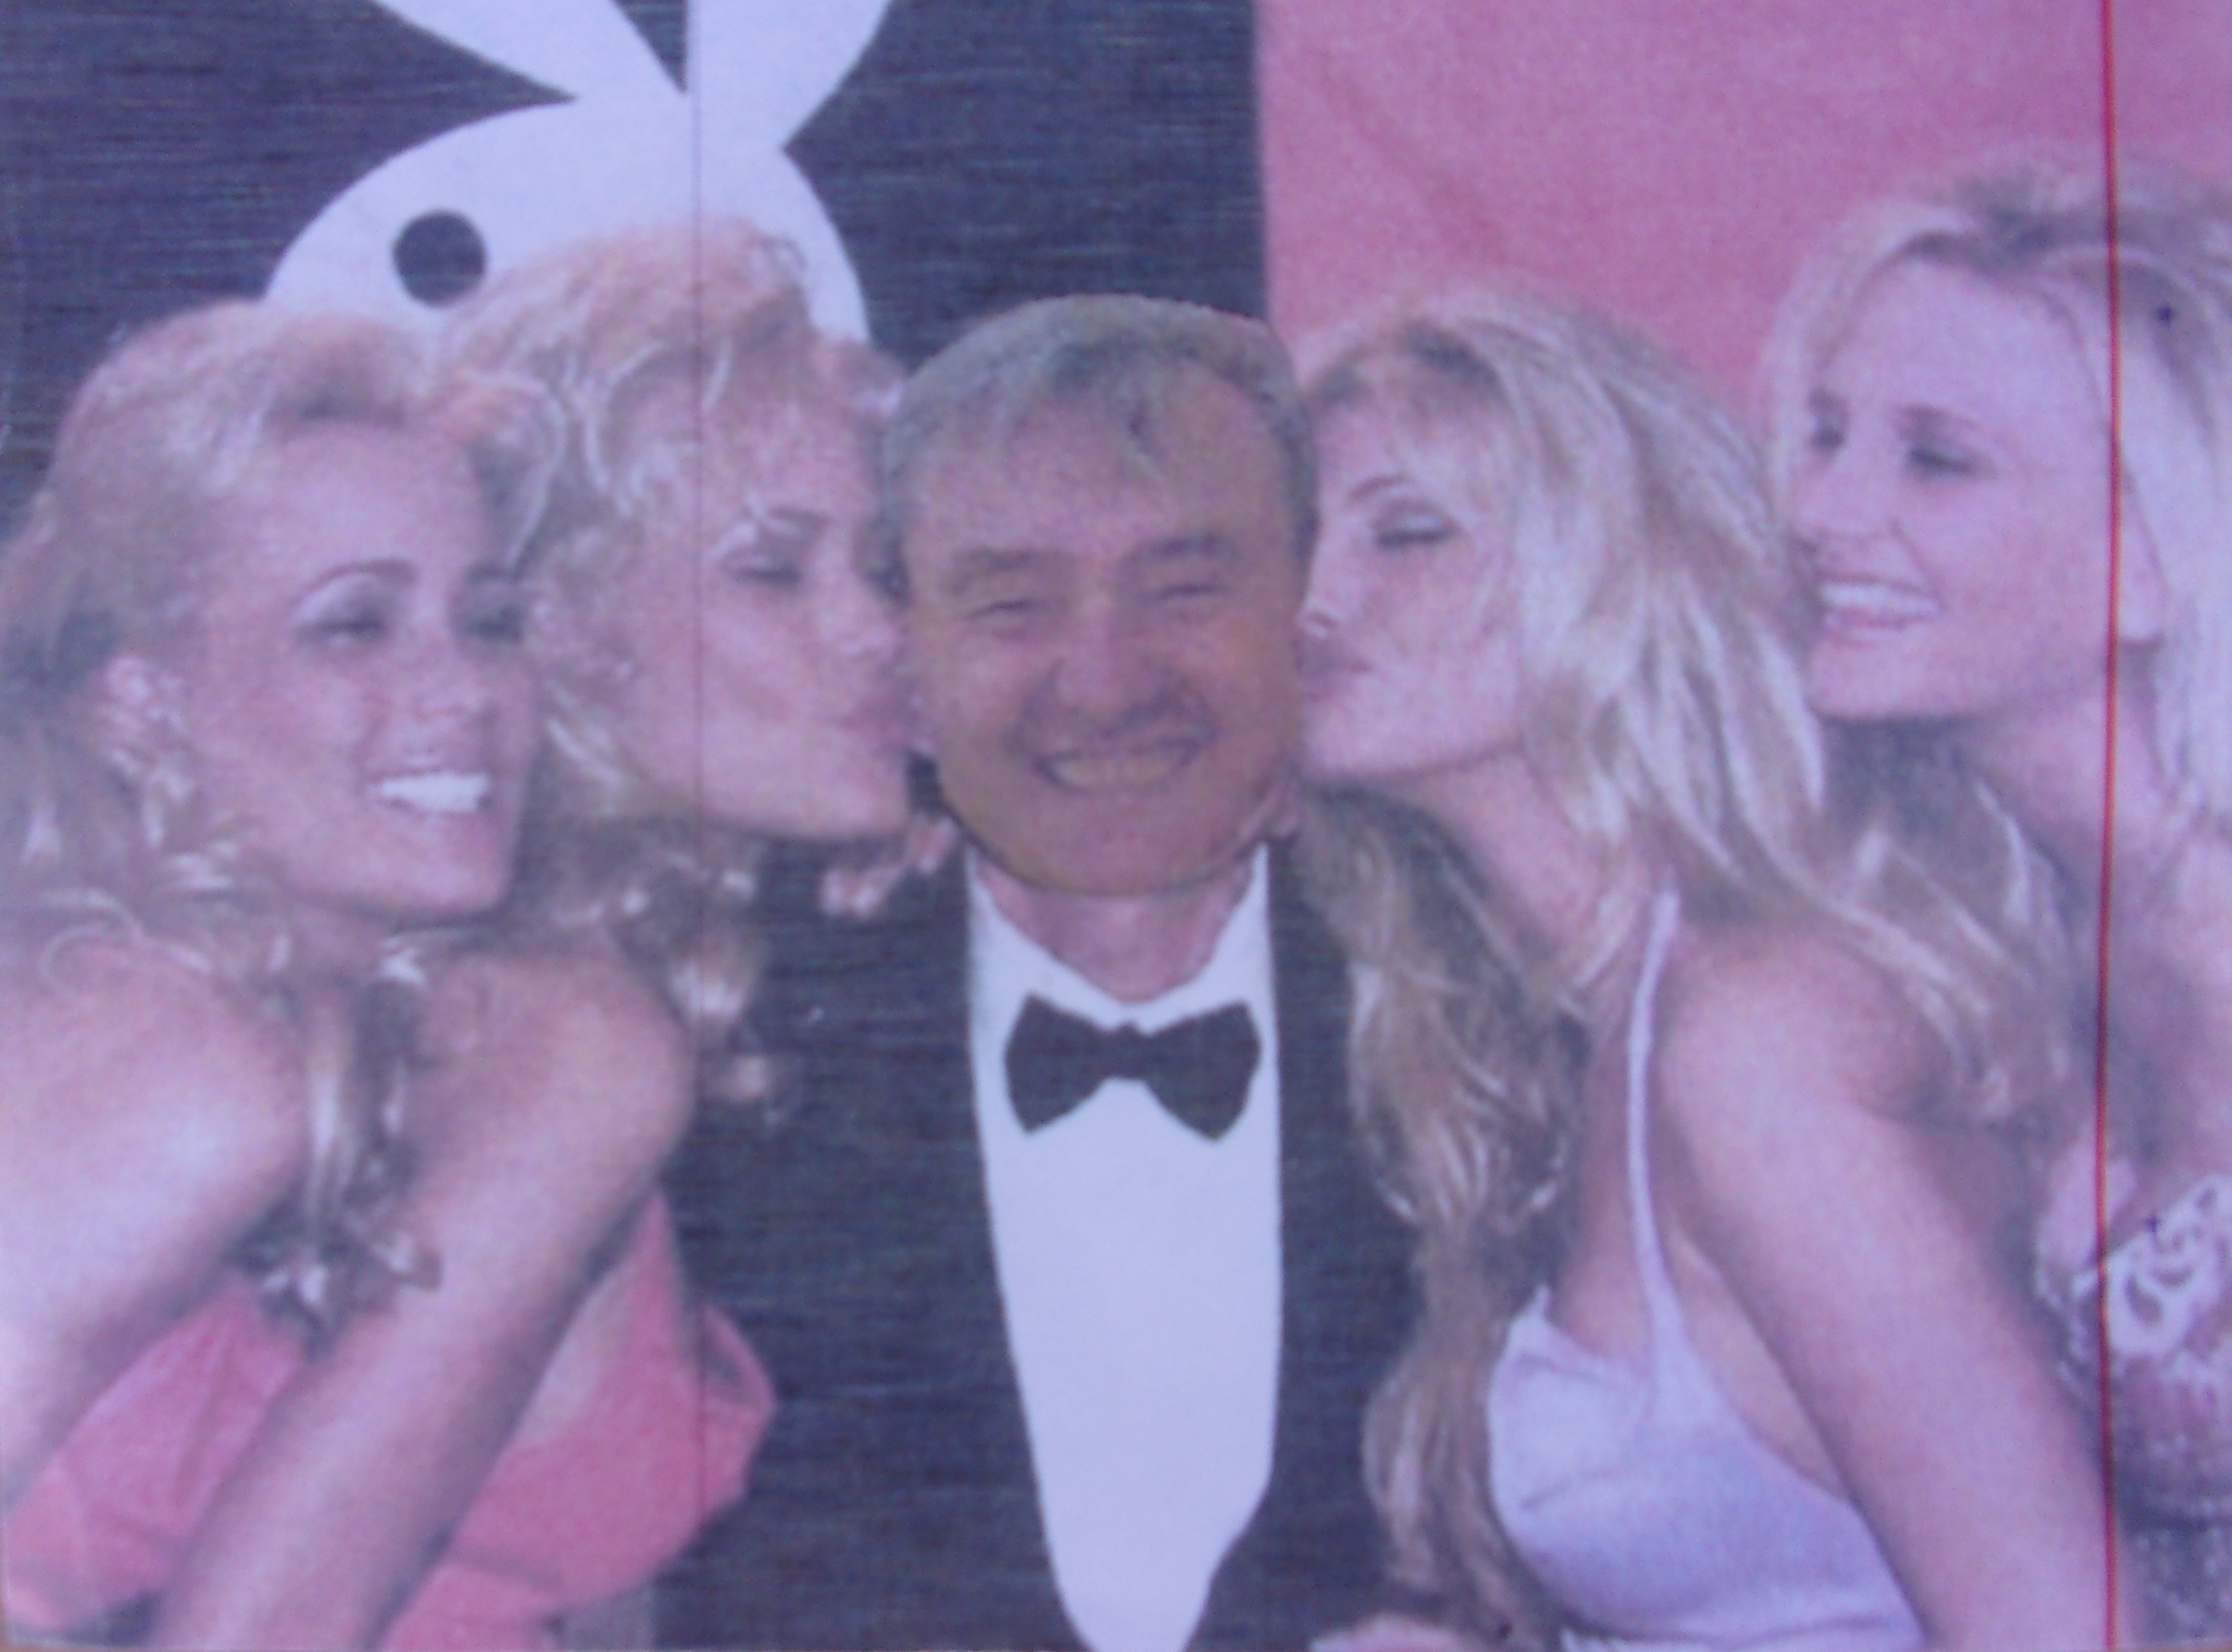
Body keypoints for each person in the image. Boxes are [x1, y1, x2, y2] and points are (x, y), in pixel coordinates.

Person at [1293, 289, 2120, 1651]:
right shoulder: (1568, 1025)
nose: (1314, 597)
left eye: (1410, 531)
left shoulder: (1759, 1038)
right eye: (1296, 538)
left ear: (1621, 566)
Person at [660, 294, 1416, 1652]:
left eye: (1185, 589)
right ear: (907, 651)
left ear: (1306, 602)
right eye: (1011, 602)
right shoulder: (727, 1036)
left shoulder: (1478, 1008)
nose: (1105, 680)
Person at [0, 297, 733, 1651]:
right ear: (144, 694)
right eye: (353, 625)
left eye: (488, 619)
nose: (464, 689)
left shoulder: (515, 1037)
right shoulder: (166, 1065)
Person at [1764, 153, 2232, 1643]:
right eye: (1826, 433)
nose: (1822, 507)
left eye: (1938, 459)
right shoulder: (1992, 918)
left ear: (2155, 557)